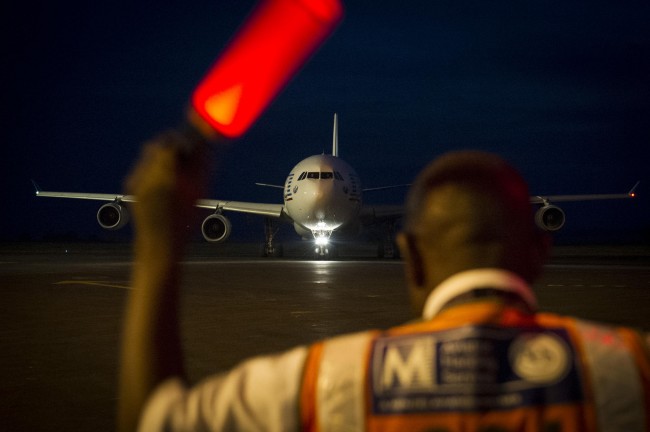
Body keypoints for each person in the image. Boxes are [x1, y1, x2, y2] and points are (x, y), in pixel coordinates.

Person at [117, 131, 650, 431]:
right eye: (309, 181)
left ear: (410, 257)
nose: (319, 188)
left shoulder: (317, 379)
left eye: (326, 181)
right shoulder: (627, 367)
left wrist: (159, 243)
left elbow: (158, 419)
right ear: (540, 252)